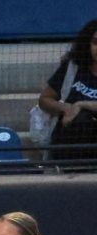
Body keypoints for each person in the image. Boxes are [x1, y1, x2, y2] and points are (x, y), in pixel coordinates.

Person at [38, 18, 97, 162]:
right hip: (71, 139)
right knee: (81, 120)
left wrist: (81, 105)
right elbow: (44, 99)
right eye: (96, 42)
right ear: (87, 44)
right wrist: (65, 108)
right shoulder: (72, 68)